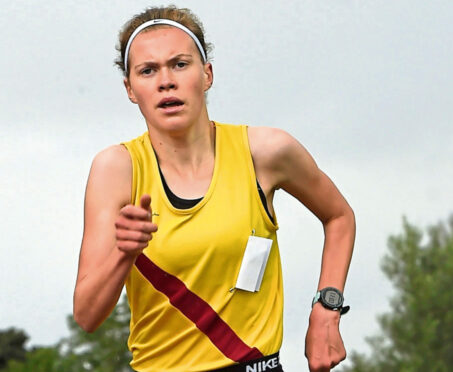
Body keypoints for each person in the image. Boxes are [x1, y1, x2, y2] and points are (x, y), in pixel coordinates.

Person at [73, 5, 355, 372]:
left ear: (206, 74)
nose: (166, 81)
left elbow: (338, 216)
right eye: (147, 70)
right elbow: (87, 315)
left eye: (180, 64)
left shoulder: (264, 152)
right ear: (130, 88)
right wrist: (123, 254)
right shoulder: (118, 170)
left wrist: (326, 311)